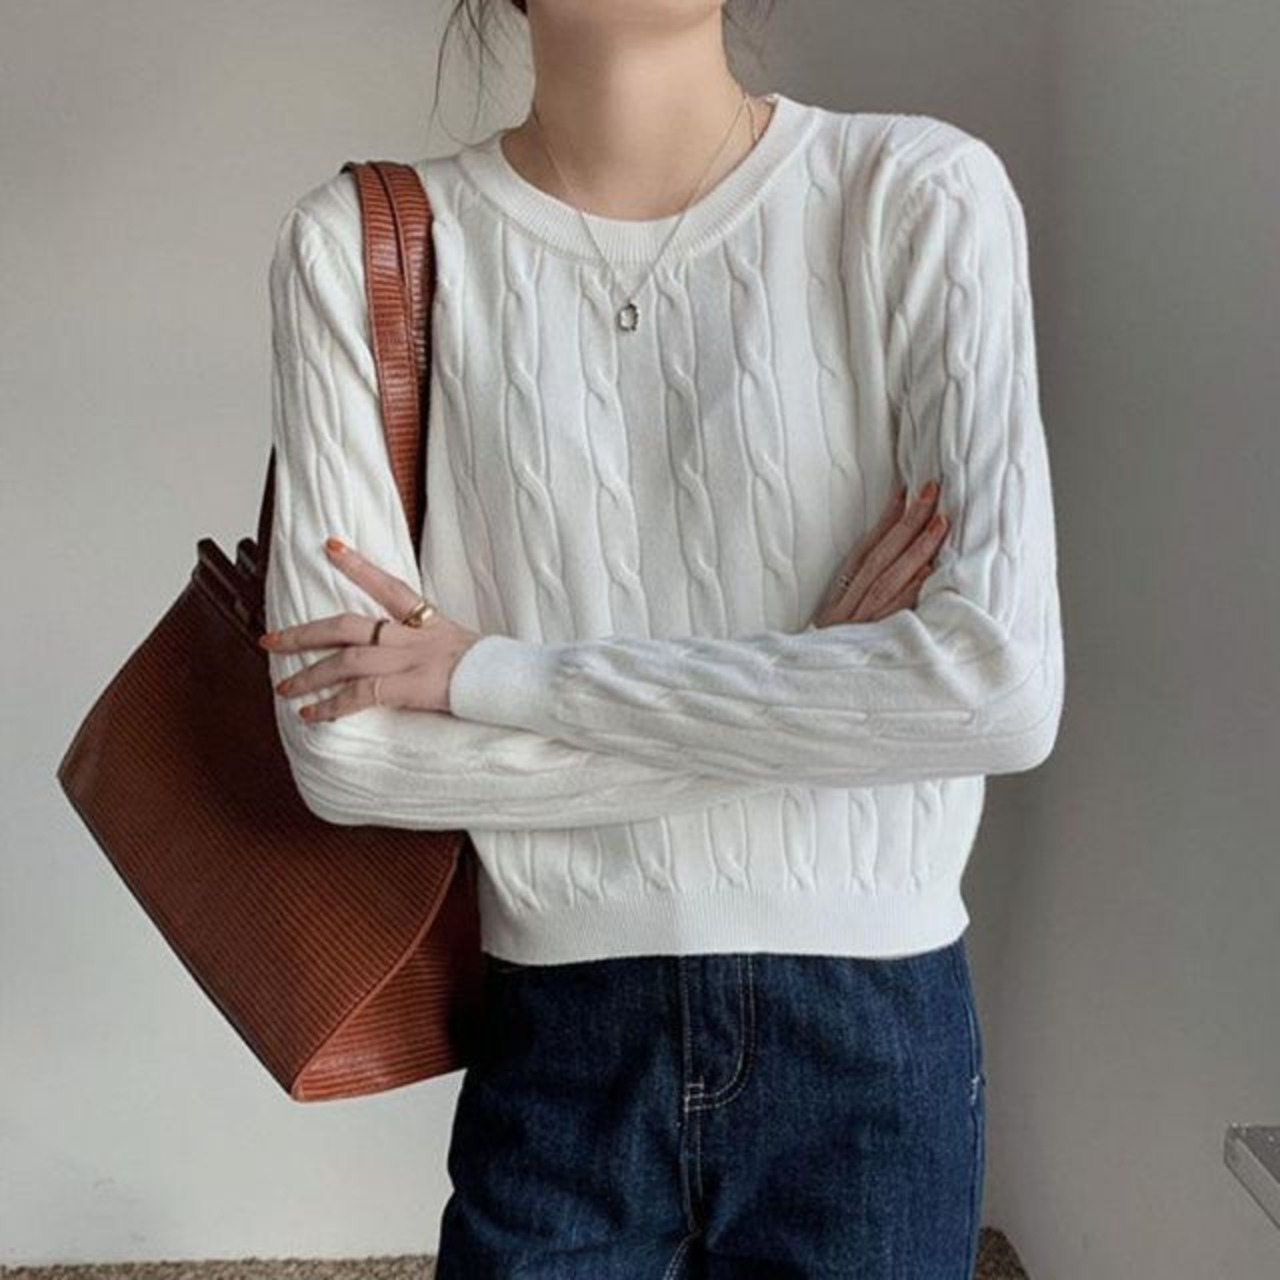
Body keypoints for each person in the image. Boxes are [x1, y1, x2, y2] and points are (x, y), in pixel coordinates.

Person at [258, 1, 1065, 1275]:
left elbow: (997, 691)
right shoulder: (359, 245)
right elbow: (349, 755)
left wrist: (489, 675)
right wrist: (818, 694)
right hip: (562, 1037)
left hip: (869, 1041)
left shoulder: (914, 192)